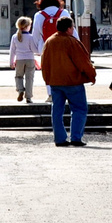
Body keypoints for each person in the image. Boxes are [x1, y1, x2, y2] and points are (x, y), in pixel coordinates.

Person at [39, 15, 94, 146]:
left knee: (57, 111)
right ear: (69, 28)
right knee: (79, 109)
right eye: (72, 27)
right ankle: (76, 137)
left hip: (55, 81)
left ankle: (59, 138)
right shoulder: (72, 42)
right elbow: (83, 62)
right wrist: (92, 75)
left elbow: (44, 63)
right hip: (72, 81)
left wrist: (47, 79)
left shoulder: (49, 41)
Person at [8, 16, 42, 103]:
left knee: (18, 76)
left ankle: (20, 90)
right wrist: (39, 51)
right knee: (29, 78)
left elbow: (12, 51)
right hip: (30, 59)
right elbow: (34, 49)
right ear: (27, 26)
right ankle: (28, 97)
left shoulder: (15, 37)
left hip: (19, 60)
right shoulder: (30, 37)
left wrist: (11, 62)